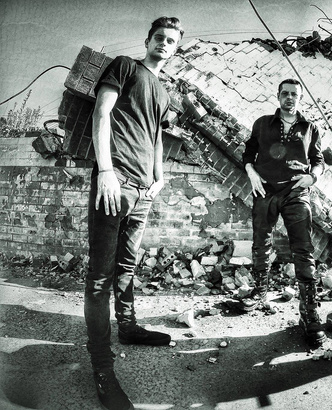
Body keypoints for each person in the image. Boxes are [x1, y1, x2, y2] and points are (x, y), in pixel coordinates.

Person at [84, 17, 183, 410]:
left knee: (127, 266)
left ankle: (126, 327)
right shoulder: (126, 65)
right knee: (100, 277)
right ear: (148, 40)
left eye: (171, 40)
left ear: (176, 49)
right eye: (159, 37)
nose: (164, 43)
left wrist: (158, 180)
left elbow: (157, 137)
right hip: (115, 181)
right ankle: (102, 368)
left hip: (142, 191)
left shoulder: (163, 90)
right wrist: (105, 170)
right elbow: (102, 113)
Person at [241, 79, 326, 346]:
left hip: (296, 191)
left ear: (300, 98)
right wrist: (251, 172)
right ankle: (259, 291)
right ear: (278, 96)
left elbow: (319, 160)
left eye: (295, 95)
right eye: (285, 93)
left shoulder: (310, 127)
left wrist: (313, 178)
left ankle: (309, 313)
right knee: (260, 242)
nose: (290, 98)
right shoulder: (263, 123)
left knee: (303, 247)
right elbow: (248, 152)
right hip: (264, 190)